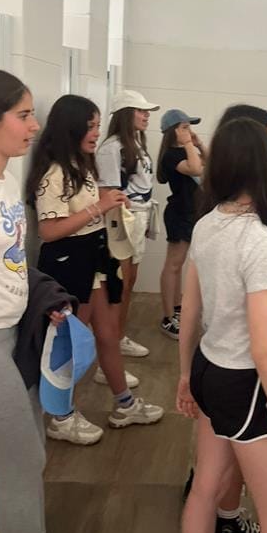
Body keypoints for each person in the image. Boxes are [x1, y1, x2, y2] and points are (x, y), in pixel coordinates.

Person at [0, 69, 99, 533]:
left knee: (30, 458)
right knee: (21, 464)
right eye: (23, 115)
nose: (35, 125)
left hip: (9, 335)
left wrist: (42, 299)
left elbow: (7, 262)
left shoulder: (0, 180)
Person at [177, 117, 267, 533]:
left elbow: (190, 308)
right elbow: (265, 351)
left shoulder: (208, 223)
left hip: (209, 368)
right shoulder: (260, 241)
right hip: (242, 383)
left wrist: (185, 375)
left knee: (204, 490)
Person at [26, 94, 164, 445]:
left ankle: (125, 404)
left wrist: (109, 204)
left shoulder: (81, 165)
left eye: (98, 125)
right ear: (70, 127)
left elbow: (90, 211)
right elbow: (49, 231)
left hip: (94, 258)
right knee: (73, 343)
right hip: (70, 263)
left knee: (107, 334)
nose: (96, 133)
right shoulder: (55, 172)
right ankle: (61, 417)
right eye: (90, 126)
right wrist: (98, 208)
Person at [96, 89, 160, 359]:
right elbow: (107, 192)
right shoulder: (112, 148)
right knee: (121, 282)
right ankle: (112, 339)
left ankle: (118, 335)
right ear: (125, 114)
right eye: (140, 110)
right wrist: (123, 219)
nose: (146, 115)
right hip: (122, 220)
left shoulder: (135, 143)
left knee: (130, 280)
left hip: (138, 216)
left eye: (147, 111)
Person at [157, 108, 207, 339]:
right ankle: (168, 318)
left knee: (179, 265)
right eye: (185, 127)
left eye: (189, 127)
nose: (190, 131)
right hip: (179, 213)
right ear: (173, 131)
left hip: (190, 213)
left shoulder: (184, 151)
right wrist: (188, 144)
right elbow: (195, 169)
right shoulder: (171, 155)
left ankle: (176, 308)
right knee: (173, 265)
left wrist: (198, 144)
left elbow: (209, 166)